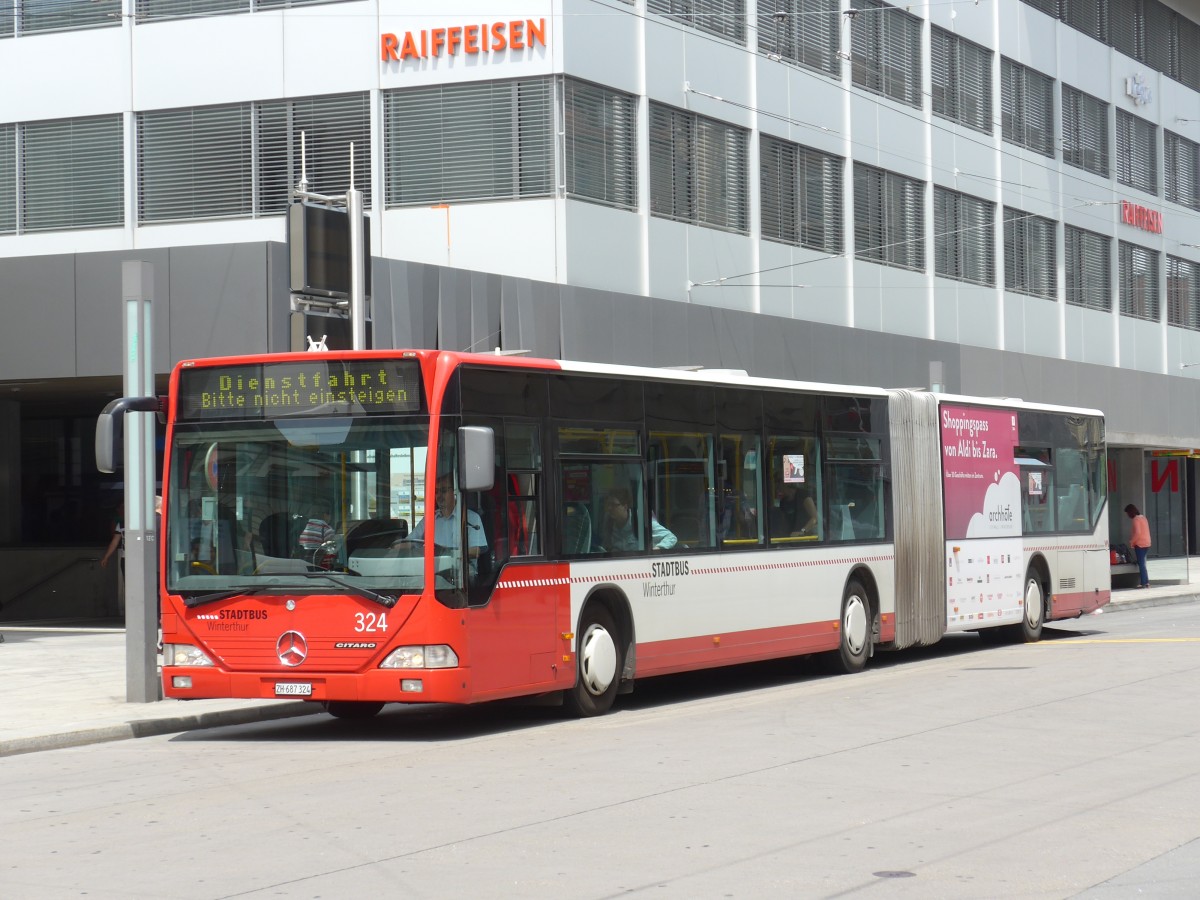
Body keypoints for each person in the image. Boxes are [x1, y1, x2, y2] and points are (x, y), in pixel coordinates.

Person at [400, 476, 487, 562]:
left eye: (444, 491)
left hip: (462, 572)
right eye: (437, 492)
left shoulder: (471, 517)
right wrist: (392, 549)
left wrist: (448, 553)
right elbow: (409, 542)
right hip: (434, 570)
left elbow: (475, 551)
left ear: (455, 492)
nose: (439, 496)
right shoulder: (429, 519)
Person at [601, 487, 676, 551]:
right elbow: (606, 546)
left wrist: (657, 548)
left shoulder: (640, 519)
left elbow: (671, 537)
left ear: (625, 506)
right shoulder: (608, 521)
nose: (609, 508)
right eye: (608, 504)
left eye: (613, 505)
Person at [1125, 503, 1152, 588]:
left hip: (1140, 544)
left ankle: (1143, 583)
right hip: (1147, 542)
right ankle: (1146, 582)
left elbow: (1138, 533)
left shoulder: (1136, 519)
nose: (1127, 515)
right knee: (1143, 563)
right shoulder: (1143, 518)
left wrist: (1132, 542)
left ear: (1130, 512)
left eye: (1127, 513)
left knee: (1141, 564)